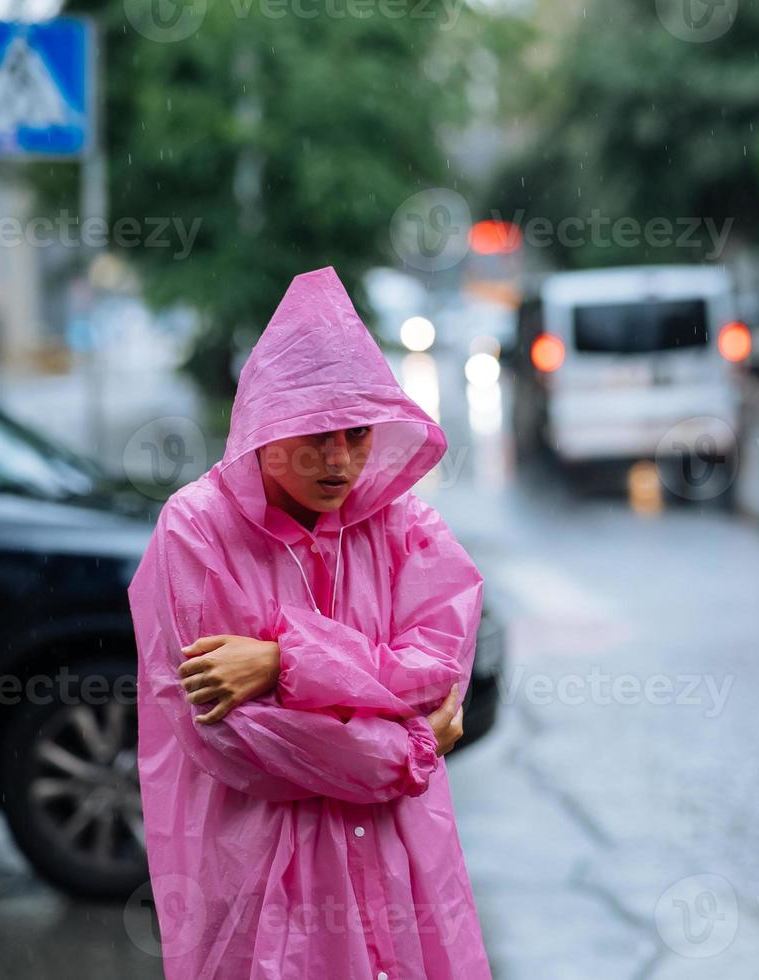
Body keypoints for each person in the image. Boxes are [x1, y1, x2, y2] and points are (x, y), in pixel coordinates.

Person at [128, 267, 491, 979]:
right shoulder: (196, 532)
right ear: (265, 427)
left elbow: (436, 673)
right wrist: (407, 750)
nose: (339, 460)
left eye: (356, 435)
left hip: (397, 873)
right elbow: (234, 738)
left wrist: (280, 661)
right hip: (258, 886)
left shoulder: (401, 525)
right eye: (314, 435)